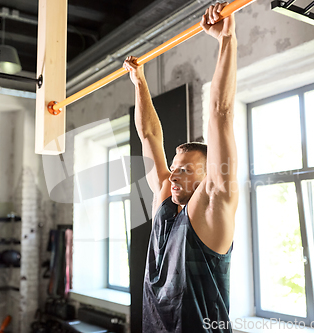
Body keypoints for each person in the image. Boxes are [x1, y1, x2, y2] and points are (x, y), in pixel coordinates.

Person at [123, 2, 238, 332]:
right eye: (175, 167)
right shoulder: (166, 205)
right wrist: (139, 82)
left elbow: (221, 114)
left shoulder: (213, 207)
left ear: (208, 176)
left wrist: (227, 39)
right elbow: (148, 135)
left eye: (186, 170)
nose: (174, 174)